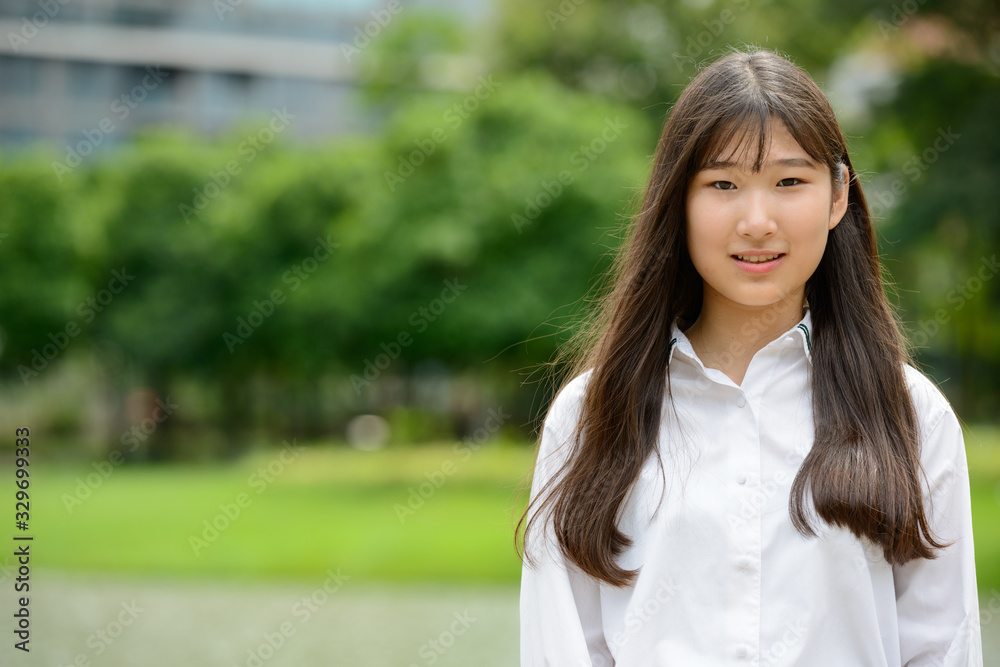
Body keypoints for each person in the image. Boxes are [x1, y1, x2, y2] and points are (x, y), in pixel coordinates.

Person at [517, 47, 982, 666]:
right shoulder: (591, 415)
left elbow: (942, 646)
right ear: (678, 202)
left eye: (790, 182)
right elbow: (564, 646)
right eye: (723, 184)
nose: (757, 221)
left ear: (839, 195)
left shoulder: (912, 415)